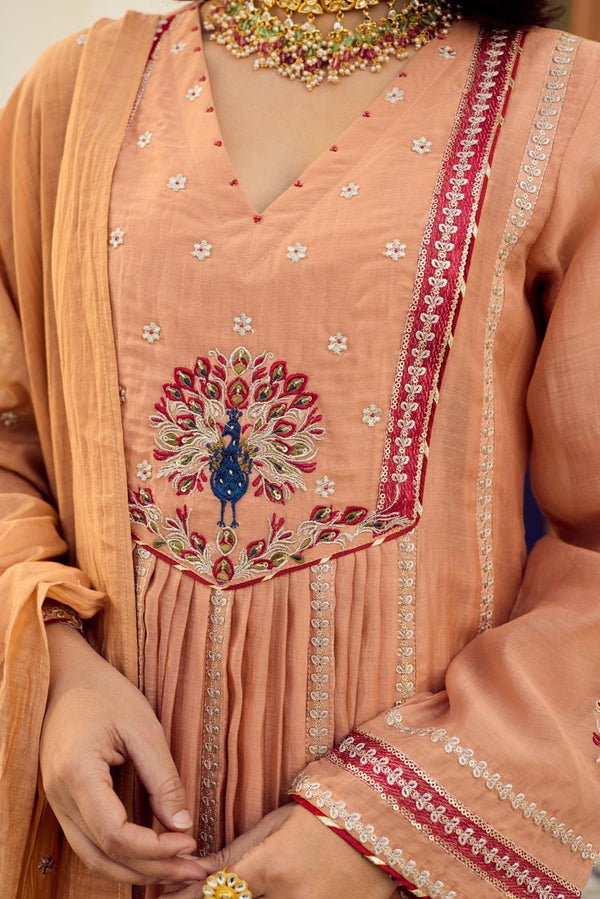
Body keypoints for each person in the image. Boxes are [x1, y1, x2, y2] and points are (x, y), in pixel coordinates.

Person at [1, 0, 599, 896]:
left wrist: (386, 826)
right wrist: (52, 666)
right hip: (99, 834)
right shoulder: (73, 97)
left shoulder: (567, 105)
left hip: (411, 857)